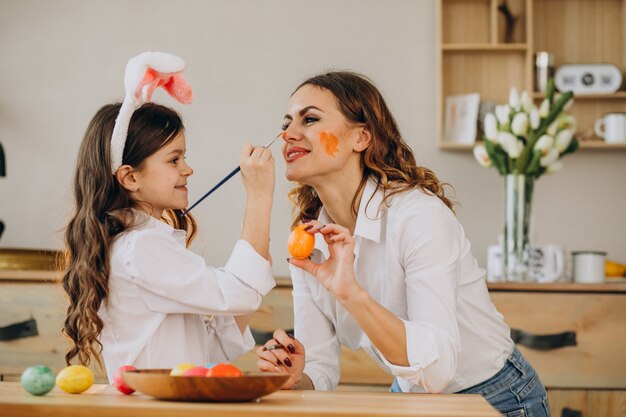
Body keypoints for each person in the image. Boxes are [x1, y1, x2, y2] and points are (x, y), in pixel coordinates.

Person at [257, 71, 550, 416]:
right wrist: (296, 378)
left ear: (361, 137)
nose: (287, 134)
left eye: (310, 119)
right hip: (411, 395)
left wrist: (351, 294)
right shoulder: (310, 241)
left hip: (496, 397)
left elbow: (438, 371)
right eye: (287, 122)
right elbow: (319, 368)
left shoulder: (418, 216)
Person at [61, 52, 276, 383]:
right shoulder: (142, 247)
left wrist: (255, 258)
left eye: (183, 157)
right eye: (173, 160)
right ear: (130, 177)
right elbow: (241, 292)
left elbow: (213, 346)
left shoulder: (142, 243)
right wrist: (259, 197)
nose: (187, 169)